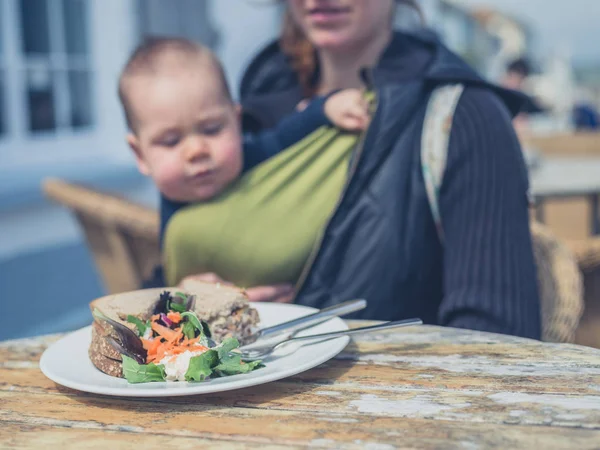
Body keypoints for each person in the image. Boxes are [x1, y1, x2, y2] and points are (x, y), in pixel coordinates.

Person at [167, 0, 541, 339]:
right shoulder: (240, 116)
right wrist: (183, 305)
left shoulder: (462, 118)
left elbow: (498, 341)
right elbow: (167, 272)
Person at [117, 37, 370, 288]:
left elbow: (287, 136)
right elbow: (177, 274)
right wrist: (187, 288)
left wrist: (326, 108)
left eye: (212, 129)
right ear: (140, 155)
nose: (196, 151)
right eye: (171, 141)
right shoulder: (175, 217)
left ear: (237, 122)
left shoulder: (252, 156)